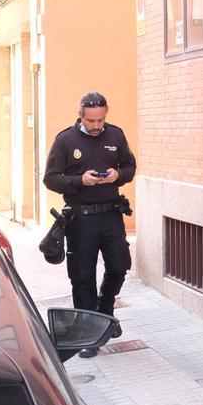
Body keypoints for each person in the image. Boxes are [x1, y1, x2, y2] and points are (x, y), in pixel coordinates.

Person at [42, 92, 136, 358]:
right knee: (82, 277)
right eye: (92, 121)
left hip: (110, 214)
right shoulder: (65, 140)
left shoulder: (115, 135)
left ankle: (105, 313)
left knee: (119, 266)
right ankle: (88, 335)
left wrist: (119, 175)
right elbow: (51, 179)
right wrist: (79, 181)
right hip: (81, 218)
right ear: (81, 115)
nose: (97, 126)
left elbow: (130, 166)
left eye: (101, 120)